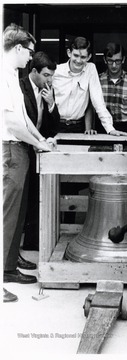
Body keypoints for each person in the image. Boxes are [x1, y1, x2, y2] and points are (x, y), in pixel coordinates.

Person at [2, 23, 53, 302]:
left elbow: (24, 120)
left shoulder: (12, 73)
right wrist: (38, 143)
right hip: (11, 148)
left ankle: (8, 268)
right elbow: (11, 123)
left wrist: (41, 141)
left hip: (21, 147)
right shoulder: (2, 75)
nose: (31, 58)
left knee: (17, 213)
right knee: (7, 214)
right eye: (29, 52)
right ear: (19, 48)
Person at [20, 51, 60, 253]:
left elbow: (54, 126)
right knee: (21, 197)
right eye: (46, 75)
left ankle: (32, 242)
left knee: (36, 195)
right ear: (34, 71)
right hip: (21, 146)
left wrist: (51, 103)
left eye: (52, 75)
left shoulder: (47, 89)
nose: (49, 79)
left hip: (39, 149)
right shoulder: (19, 87)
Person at [52, 36, 127, 136]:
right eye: (75, 55)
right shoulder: (56, 71)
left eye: (83, 57)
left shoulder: (90, 69)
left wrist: (110, 129)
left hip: (78, 126)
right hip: (55, 124)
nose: (79, 60)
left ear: (88, 57)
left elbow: (98, 101)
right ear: (69, 53)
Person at [98, 42, 127, 134]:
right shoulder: (97, 81)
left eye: (118, 61)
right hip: (103, 128)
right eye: (110, 61)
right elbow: (91, 109)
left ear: (123, 59)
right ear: (105, 60)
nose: (114, 65)